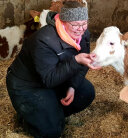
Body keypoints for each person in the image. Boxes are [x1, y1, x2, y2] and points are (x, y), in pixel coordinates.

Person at [6, 1, 100, 137]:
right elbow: (49, 79)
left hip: (56, 75)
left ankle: (50, 114)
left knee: (86, 92)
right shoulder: (43, 40)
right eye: (75, 25)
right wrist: (75, 60)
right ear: (63, 21)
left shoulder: (83, 34)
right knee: (52, 132)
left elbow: (83, 64)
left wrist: (72, 86)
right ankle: (28, 118)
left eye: (84, 23)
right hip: (27, 85)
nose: (81, 29)